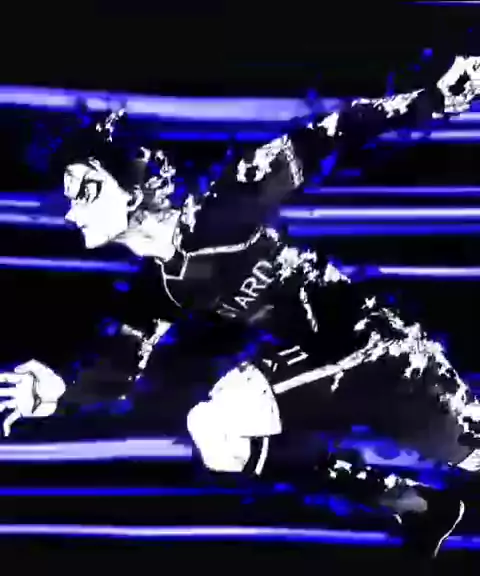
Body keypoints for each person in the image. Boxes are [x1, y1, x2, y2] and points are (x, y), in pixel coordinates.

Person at [1, 55, 480, 560]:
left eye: (85, 189)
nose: (72, 211)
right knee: (216, 432)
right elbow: (116, 370)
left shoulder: (224, 207)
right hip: (325, 368)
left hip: (379, 349)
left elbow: (328, 135)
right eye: (69, 196)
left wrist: (432, 99)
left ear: (136, 185)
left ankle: (422, 503)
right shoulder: (158, 290)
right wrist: (59, 394)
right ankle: (414, 504)